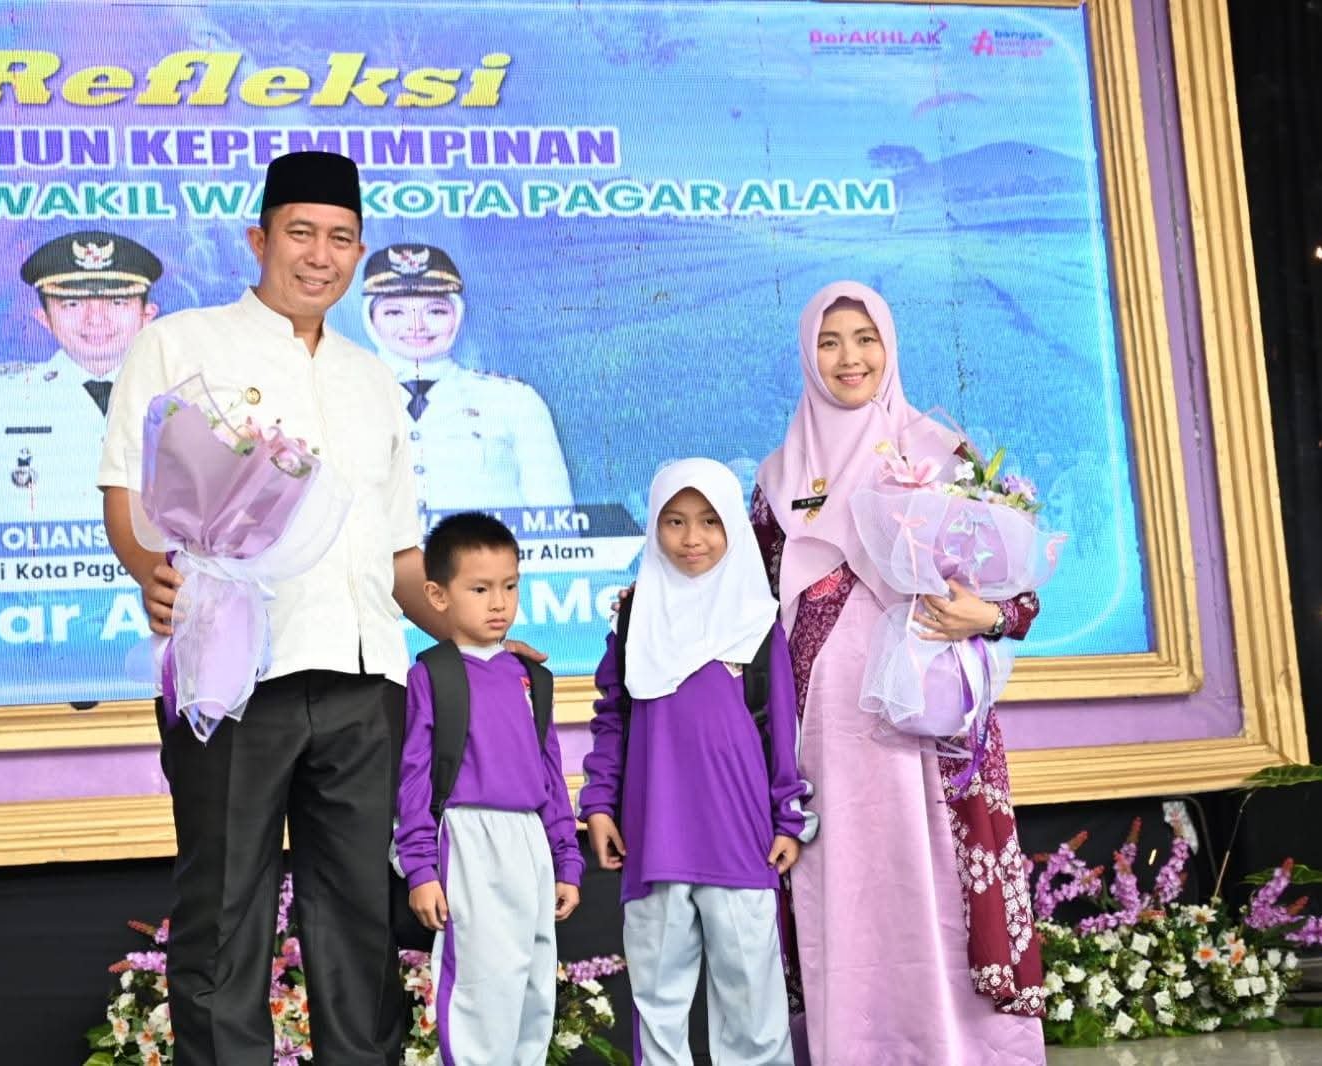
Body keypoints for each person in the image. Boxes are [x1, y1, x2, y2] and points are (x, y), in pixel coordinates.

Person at [98, 152, 453, 1066]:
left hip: (363, 682)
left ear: (359, 252)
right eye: (300, 233)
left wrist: (464, 630)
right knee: (224, 913)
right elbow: (125, 495)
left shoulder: (372, 378)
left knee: (359, 918)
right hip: (233, 676)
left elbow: (399, 552)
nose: (319, 255)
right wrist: (150, 570)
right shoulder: (180, 344)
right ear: (258, 240)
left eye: (340, 238)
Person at [751, 281, 1046, 1063]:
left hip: (932, 721)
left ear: (889, 346)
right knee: (846, 890)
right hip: (825, 735)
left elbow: (1017, 596)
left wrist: (986, 617)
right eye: (828, 342)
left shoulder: (941, 454)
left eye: (864, 339)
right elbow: (745, 602)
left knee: (939, 882)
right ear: (807, 356)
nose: (848, 358)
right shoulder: (778, 476)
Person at [580, 458, 815, 1066]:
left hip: (741, 839)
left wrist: (788, 819)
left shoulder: (758, 622)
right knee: (658, 1003)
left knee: (753, 1006)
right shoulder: (634, 618)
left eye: (711, 521)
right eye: (675, 521)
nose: (692, 538)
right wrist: (599, 804)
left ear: (734, 525)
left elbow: (781, 728)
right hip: (653, 839)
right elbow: (613, 720)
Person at [393, 512, 584, 1066]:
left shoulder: (532, 677)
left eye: (509, 586)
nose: (498, 603)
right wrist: (422, 870)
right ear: (438, 594)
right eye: (479, 589)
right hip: (468, 840)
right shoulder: (431, 675)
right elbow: (414, 778)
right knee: (480, 989)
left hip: (530, 843)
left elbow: (550, 775)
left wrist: (566, 861)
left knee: (533, 988)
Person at [0, 230, 162, 525]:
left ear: (147, 314)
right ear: (44, 318)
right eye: (72, 304)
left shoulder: (188, 397)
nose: (95, 319)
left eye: (117, 302)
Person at [361, 243, 575, 515]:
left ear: (458, 314)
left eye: (435, 311)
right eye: (394, 312)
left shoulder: (514, 400)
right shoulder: (339, 400)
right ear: (370, 318)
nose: (416, 326)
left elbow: (556, 518)